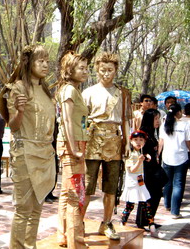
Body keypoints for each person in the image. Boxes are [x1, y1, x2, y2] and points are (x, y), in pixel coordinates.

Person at [6, 45, 55, 249]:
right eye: (40, 60)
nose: (45, 65)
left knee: (37, 208)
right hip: (25, 152)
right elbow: (13, 125)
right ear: (29, 63)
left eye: (46, 61)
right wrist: (19, 111)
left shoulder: (45, 90)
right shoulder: (18, 88)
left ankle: (30, 245)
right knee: (23, 208)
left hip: (45, 153)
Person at [82, 52, 132, 241]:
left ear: (116, 70)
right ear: (96, 70)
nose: (106, 74)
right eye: (102, 70)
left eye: (110, 70)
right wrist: (81, 141)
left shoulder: (123, 93)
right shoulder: (88, 92)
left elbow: (127, 119)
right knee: (87, 186)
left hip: (114, 141)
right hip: (92, 140)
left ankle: (107, 222)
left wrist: (127, 143)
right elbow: (82, 120)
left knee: (111, 187)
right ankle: (80, 221)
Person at [56, 52, 89, 248]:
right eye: (80, 68)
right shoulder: (69, 90)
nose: (85, 71)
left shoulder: (74, 90)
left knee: (67, 192)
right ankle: (76, 241)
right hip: (72, 145)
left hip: (77, 143)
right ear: (70, 70)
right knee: (75, 194)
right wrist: (74, 148)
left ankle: (64, 235)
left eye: (86, 68)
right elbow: (67, 120)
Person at [159, 103, 190, 218]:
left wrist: (158, 155)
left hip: (167, 157)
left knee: (168, 182)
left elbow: (161, 142)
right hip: (181, 158)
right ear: (178, 112)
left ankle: (167, 205)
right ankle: (175, 211)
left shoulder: (164, 125)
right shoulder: (184, 125)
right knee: (178, 184)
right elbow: (189, 142)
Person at [120, 130, 161, 237]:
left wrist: (144, 157)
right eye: (136, 140)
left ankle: (151, 227)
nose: (138, 142)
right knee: (131, 206)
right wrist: (140, 161)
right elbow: (132, 170)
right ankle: (122, 225)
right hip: (133, 183)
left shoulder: (139, 152)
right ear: (131, 141)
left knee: (145, 205)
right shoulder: (130, 154)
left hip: (139, 183)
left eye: (141, 140)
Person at [135, 109, 165, 229]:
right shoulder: (143, 134)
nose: (157, 121)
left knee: (155, 195)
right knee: (147, 196)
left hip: (153, 169)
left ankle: (149, 220)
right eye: (156, 119)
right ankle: (142, 220)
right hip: (146, 171)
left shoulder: (152, 133)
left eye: (158, 118)